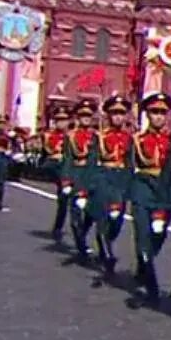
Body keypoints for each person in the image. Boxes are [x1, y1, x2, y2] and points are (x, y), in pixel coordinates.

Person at [129, 93, 171, 302]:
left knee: (159, 235)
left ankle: (143, 266)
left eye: (162, 113)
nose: (158, 117)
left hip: (164, 191)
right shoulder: (137, 140)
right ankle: (151, 286)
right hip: (142, 188)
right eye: (154, 112)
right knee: (143, 234)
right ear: (147, 115)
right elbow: (129, 167)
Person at [89, 95, 137, 279]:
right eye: (114, 113)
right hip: (103, 179)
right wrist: (90, 185)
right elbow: (92, 163)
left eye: (121, 113)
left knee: (116, 221)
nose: (118, 117)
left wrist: (130, 185)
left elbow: (130, 162)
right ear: (108, 115)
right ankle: (107, 255)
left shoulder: (130, 139)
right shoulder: (100, 137)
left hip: (121, 181)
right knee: (102, 218)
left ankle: (105, 242)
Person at [65, 100, 103, 266]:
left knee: (90, 213)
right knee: (75, 214)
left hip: (92, 175)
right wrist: (66, 180)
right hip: (76, 174)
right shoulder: (71, 136)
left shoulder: (98, 137)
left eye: (88, 115)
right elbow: (67, 159)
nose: (86, 118)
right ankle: (81, 245)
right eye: (82, 115)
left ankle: (83, 236)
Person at [41, 102, 74, 245]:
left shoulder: (73, 135)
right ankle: (58, 226)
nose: (61, 123)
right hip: (55, 165)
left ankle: (61, 225)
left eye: (64, 120)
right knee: (63, 196)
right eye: (59, 120)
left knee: (66, 199)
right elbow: (48, 152)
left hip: (69, 166)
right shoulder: (49, 135)